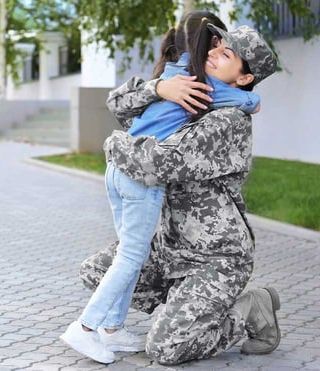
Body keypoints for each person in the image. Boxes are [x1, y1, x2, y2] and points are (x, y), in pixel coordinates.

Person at [60, 12, 262, 364]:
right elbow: (118, 104)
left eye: (225, 52)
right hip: (170, 247)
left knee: (166, 349)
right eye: (215, 45)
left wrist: (114, 144)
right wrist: (158, 88)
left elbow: (158, 164)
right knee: (97, 270)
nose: (214, 52)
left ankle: (246, 313)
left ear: (244, 77)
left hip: (214, 257)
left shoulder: (226, 118)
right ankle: (167, 313)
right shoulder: (186, 87)